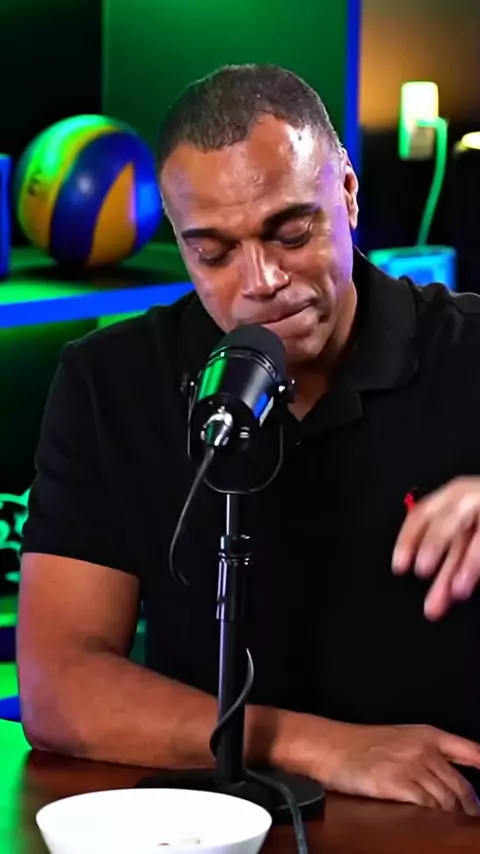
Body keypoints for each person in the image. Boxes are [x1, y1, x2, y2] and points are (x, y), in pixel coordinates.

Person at [17, 64, 480, 816]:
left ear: (348, 195)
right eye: (213, 252)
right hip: (207, 816)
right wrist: (323, 747)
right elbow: (58, 686)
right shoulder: (110, 381)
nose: (260, 281)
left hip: (448, 813)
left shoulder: (467, 350)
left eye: (291, 233)